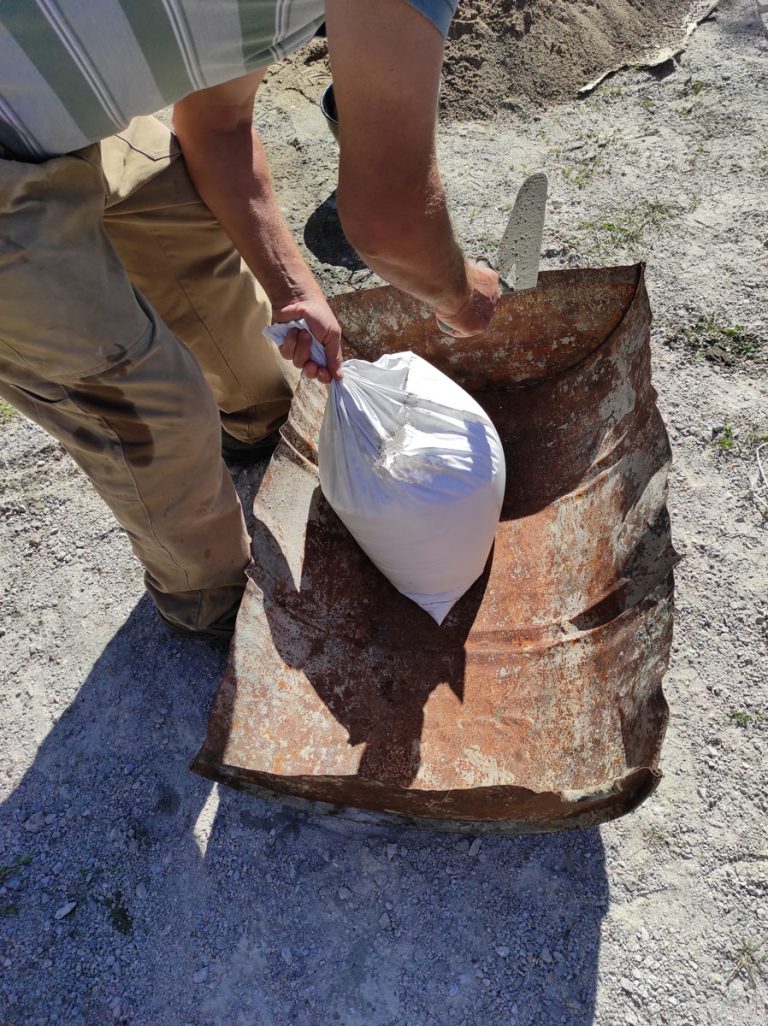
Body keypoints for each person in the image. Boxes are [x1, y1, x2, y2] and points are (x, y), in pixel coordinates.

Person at [0, 0, 500, 641]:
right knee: (147, 403)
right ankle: (203, 594)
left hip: (47, 97)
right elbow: (391, 222)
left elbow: (216, 128)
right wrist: (461, 297)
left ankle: (257, 420)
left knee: (188, 234)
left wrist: (296, 292)